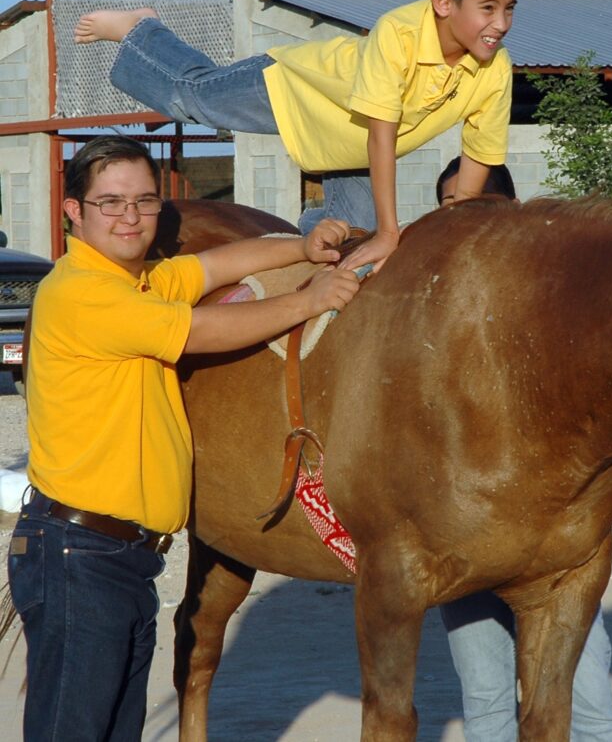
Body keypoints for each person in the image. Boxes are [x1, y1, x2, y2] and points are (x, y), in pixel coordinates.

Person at [6, 136, 361, 740]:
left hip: (119, 559)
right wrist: (308, 300)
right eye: (110, 202)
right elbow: (203, 329)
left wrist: (299, 246)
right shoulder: (83, 294)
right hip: (79, 556)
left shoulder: (135, 281)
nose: (130, 217)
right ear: (74, 212)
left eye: (144, 201)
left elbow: (215, 265)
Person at [72, 0, 521, 273]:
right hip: (295, 90)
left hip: (348, 148)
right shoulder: (398, 35)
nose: (501, 23)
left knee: (352, 246)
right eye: (488, 7)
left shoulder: (494, 68)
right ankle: (142, 29)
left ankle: (312, 228)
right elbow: (381, 137)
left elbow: (477, 158)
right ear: (443, 2)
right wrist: (390, 231)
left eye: (510, 7)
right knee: (194, 97)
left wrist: (456, 232)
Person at [434, 158, 612, 742]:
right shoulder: (431, 309)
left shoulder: (557, 311)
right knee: (487, 706)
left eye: (462, 209)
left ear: (507, 214)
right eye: (442, 211)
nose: (449, 226)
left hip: (553, 551)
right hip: (464, 546)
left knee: (587, 709)